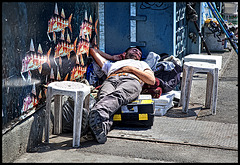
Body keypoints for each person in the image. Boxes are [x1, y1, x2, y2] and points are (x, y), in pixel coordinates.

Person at [88, 46, 155, 143]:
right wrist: (112, 57)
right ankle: (101, 129)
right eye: (135, 50)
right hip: (111, 79)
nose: (137, 53)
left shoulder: (142, 64)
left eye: (140, 54)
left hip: (131, 79)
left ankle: (95, 116)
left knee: (119, 95)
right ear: (125, 53)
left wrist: (130, 69)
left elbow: (151, 80)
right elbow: (93, 51)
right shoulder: (113, 64)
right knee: (103, 98)